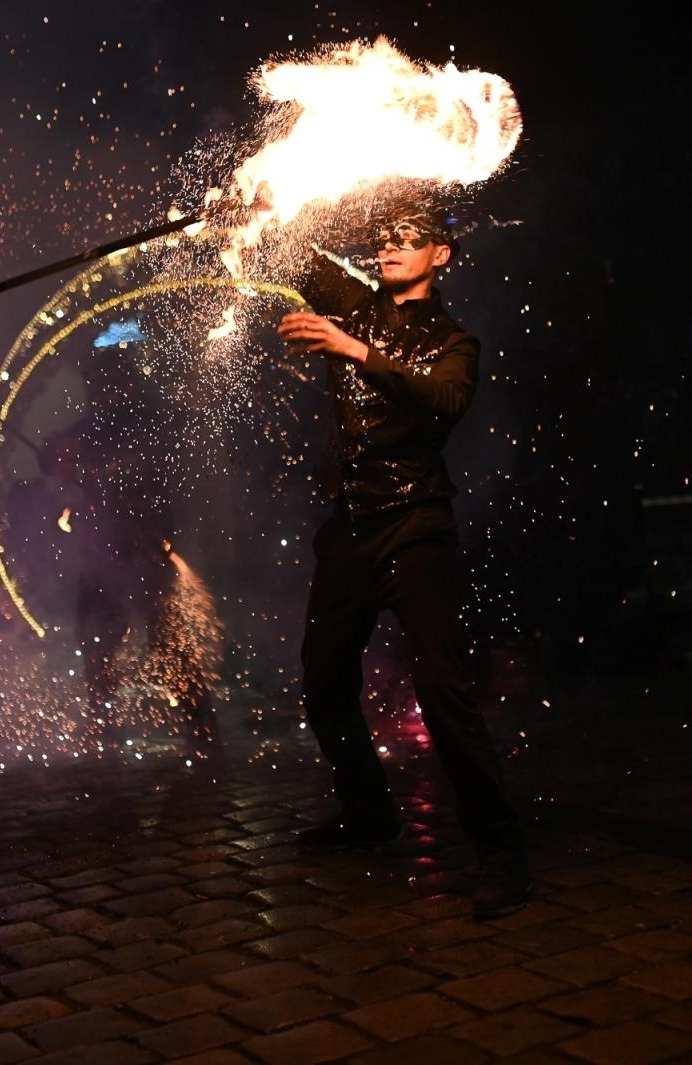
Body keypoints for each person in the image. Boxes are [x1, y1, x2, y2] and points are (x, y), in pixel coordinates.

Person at [275, 202, 531, 920]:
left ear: (440, 255)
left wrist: (352, 349)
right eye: (384, 238)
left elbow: (443, 400)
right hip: (352, 530)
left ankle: (502, 853)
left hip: (416, 528)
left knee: (445, 695)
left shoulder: (457, 340)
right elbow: (291, 251)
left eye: (407, 239)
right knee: (323, 684)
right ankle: (368, 812)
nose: (389, 247)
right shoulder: (355, 304)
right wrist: (254, 209)